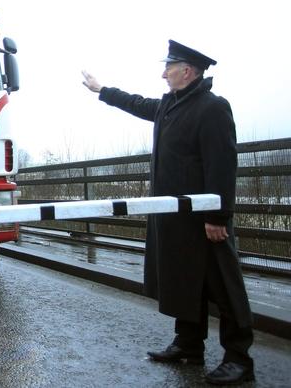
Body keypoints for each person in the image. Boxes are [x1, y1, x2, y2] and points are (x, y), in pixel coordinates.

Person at [81, 40, 254, 385]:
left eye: (169, 68)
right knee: (184, 280)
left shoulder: (212, 108)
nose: (163, 74)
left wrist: (218, 216)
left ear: (186, 71)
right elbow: (136, 103)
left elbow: (222, 165)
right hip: (175, 219)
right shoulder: (169, 106)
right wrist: (103, 90)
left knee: (224, 287)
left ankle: (239, 358)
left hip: (205, 219)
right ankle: (189, 345)